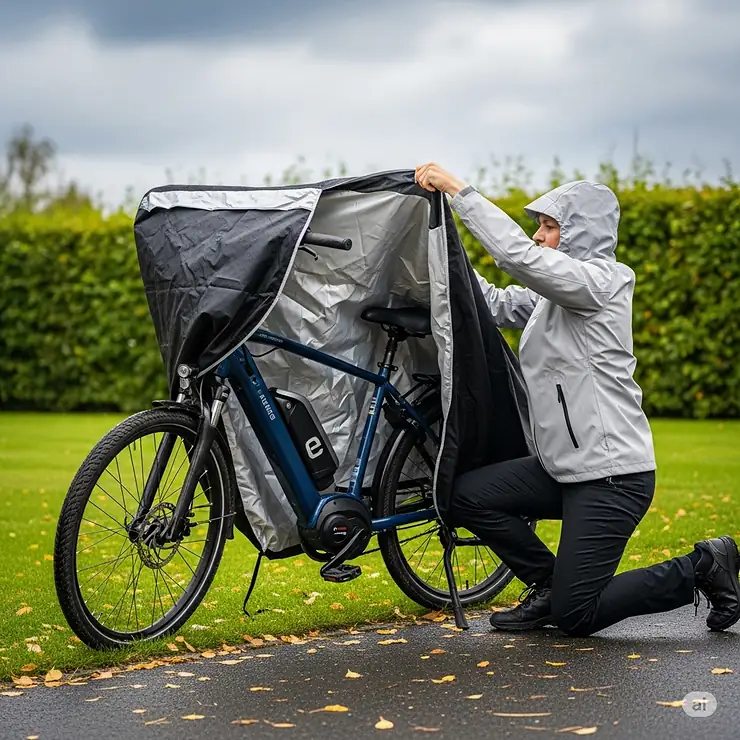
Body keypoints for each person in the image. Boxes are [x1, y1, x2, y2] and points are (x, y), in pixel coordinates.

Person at [413, 162, 740, 636]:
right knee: (463, 496)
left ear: (582, 233)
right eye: (540, 227)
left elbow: (518, 257)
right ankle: (548, 585)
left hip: (612, 477)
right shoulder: (555, 297)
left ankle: (702, 566)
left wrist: (459, 192)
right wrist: (436, 253)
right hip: (561, 467)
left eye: (550, 226)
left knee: (577, 616)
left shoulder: (602, 284)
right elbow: (494, 302)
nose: (540, 235)